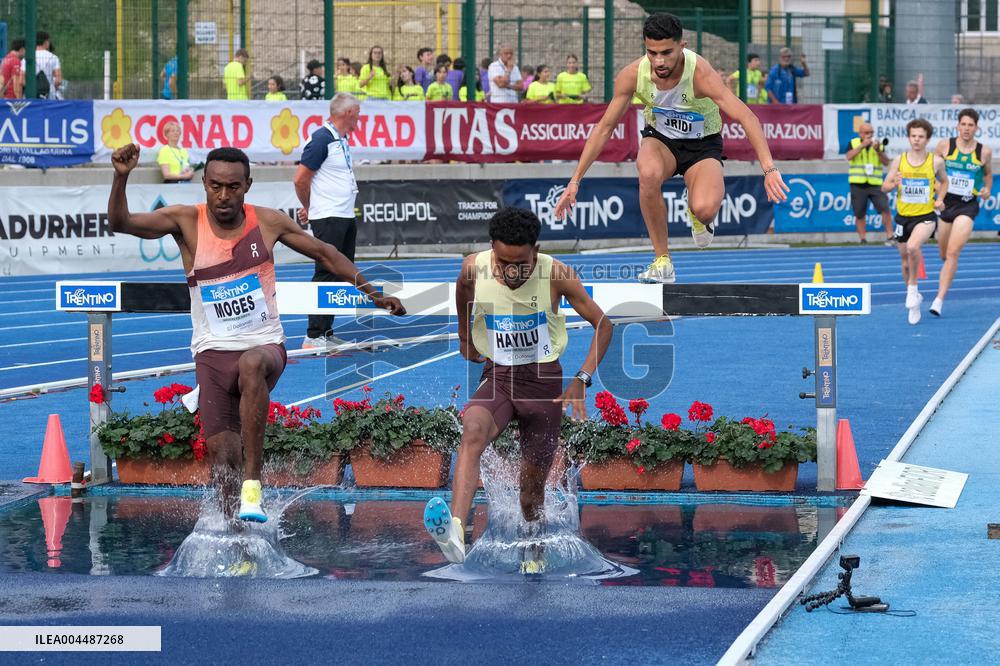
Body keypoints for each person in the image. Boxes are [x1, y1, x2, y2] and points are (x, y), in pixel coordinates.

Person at [108, 143, 405, 522]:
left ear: (247, 184)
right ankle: (236, 532)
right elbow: (121, 223)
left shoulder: (267, 222)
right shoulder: (185, 221)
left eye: (233, 186)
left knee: (251, 364)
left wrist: (373, 293)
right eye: (215, 186)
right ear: (203, 183)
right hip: (212, 354)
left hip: (264, 347)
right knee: (223, 461)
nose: (223, 195)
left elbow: (326, 253)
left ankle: (254, 486)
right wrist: (121, 177)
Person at [423, 207, 612, 570]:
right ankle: (457, 532)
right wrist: (465, 336)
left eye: (520, 264)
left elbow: (604, 324)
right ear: (491, 249)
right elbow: (463, 290)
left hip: (543, 386)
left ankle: (534, 554)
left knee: (530, 495)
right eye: (503, 262)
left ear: (535, 250)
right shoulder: (473, 268)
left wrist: (582, 378)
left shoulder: (556, 274)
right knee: (473, 430)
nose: (511, 273)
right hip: (499, 376)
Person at [553, 13, 788, 283]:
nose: (659, 61)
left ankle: (698, 216)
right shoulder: (633, 75)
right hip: (660, 140)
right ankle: (662, 261)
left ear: (682, 46)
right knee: (648, 173)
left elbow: (747, 117)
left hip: (702, 146)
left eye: (667, 52)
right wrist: (575, 180)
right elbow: (605, 127)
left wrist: (769, 169)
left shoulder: (701, 74)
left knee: (705, 208)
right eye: (652, 53)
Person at [293, 93, 367, 349]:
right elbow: (300, 178)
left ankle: (325, 331)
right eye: (357, 112)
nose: (359, 116)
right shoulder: (322, 139)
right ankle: (313, 335)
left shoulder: (340, 140)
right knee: (325, 273)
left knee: (340, 273)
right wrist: (309, 207)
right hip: (329, 217)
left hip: (344, 216)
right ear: (346, 113)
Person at [881, 118, 947, 325]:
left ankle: (912, 289)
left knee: (913, 247)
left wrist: (940, 199)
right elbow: (885, 187)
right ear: (909, 137)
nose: (917, 140)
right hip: (903, 217)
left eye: (921, 137)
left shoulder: (935, 161)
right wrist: (895, 183)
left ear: (927, 139)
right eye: (913, 136)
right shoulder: (899, 160)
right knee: (904, 260)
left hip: (925, 217)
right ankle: (915, 300)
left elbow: (945, 182)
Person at [931, 108, 992, 317]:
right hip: (946, 204)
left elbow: (988, 175)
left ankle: (939, 299)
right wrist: (935, 194)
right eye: (963, 124)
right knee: (943, 253)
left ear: (976, 128)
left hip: (968, 205)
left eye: (971, 125)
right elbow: (930, 170)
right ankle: (946, 268)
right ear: (957, 126)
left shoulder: (984, 152)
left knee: (953, 253)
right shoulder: (944, 146)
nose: (966, 129)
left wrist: (986, 190)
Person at [845, 122, 892, 244]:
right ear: (860, 133)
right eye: (866, 133)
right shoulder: (854, 143)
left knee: (885, 208)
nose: (869, 135)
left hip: (875, 183)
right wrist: (861, 146)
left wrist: (878, 151)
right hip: (858, 183)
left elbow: (886, 162)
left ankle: (890, 236)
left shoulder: (878, 144)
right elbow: (849, 157)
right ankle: (862, 238)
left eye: (871, 132)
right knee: (859, 212)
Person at [25, 31, 61, 99]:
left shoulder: (27, 57)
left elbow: (21, 81)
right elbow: (58, 80)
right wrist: (53, 88)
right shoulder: (53, 57)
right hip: (49, 96)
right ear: (46, 42)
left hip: (31, 96)